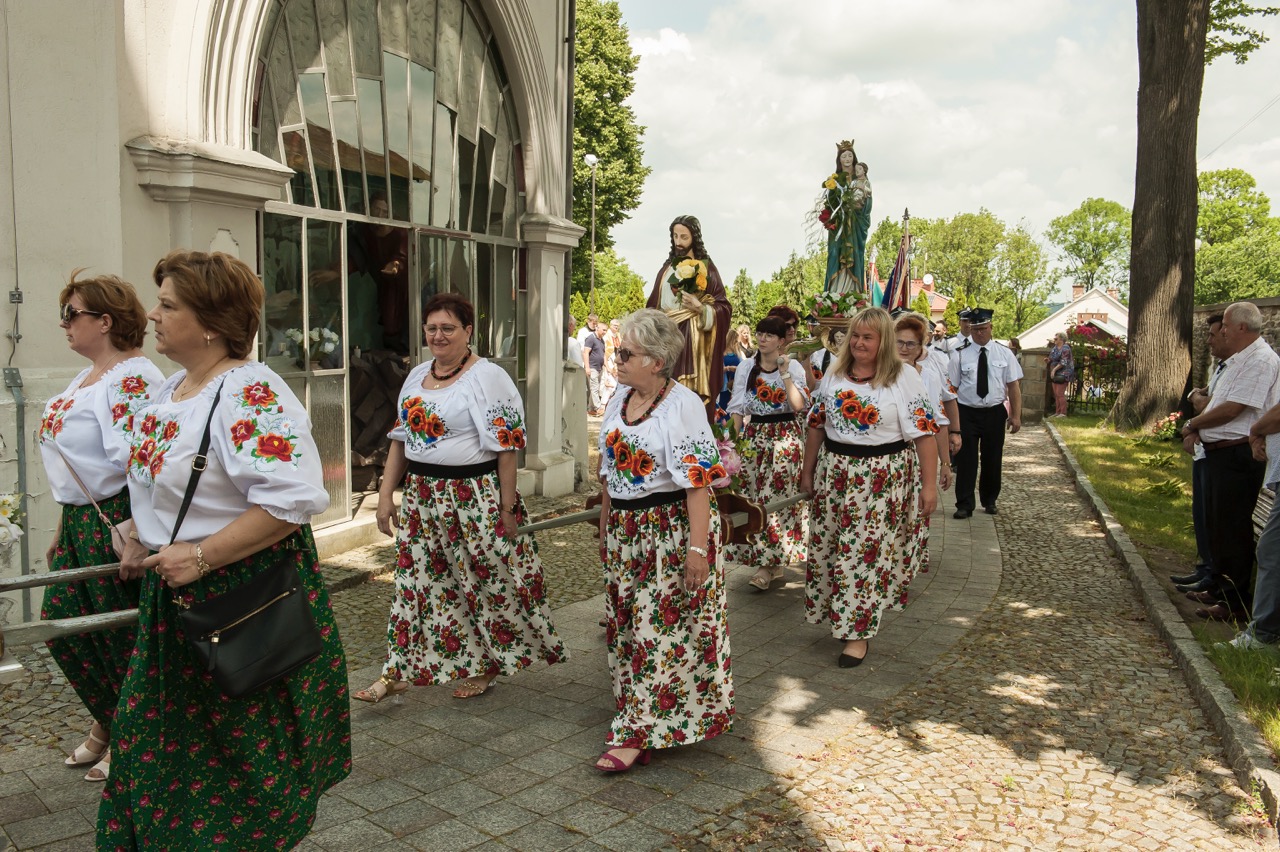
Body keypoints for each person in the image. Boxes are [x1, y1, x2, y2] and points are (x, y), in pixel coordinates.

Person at [104, 250, 351, 849]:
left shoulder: (249, 391)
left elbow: (290, 501)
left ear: (213, 323)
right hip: (177, 593)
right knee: (158, 746)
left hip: (237, 597)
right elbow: (166, 484)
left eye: (168, 305)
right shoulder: (173, 388)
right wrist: (138, 530)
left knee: (237, 759)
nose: (153, 315)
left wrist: (200, 556)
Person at [363, 292, 566, 702]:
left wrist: (507, 508)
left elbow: (507, 448)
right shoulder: (416, 375)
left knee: (485, 582)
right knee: (416, 582)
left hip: (473, 497)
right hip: (423, 498)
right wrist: (386, 496)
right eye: (432, 328)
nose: (438, 336)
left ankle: (488, 664)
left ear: (468, 331)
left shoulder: (488, 377)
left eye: (448, 328)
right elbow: (400, 439)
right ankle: (397, 669)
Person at [595, 309, 733, 772]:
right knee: (628, 628)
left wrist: (697, 550)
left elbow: (698, 485)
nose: (617, 359)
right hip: (626, 532)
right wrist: (606, 526)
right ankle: (642, 716)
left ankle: (636, 732)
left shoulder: (683, 405)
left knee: (659, 632)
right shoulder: (618, 399)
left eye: (626, 353)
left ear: (656, 361)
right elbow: (608, 474)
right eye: (618, 351)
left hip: (668, 532)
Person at [39, 272, 164, 783]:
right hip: (81, 521)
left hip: (115, 519)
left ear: (106, 321)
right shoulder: (89, 376)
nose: (64, 324)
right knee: (64, 626)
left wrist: (135, 534)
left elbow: (143, 462)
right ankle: (111, 719)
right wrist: (61, 527)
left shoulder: (132, 377)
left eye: (71, 314)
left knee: (117, 636)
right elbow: (73, 465)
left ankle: (131, 733)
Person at [800, 307, 939, 667]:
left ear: (884, 341)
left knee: (864, 556)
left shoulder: (904, 377)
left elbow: (924, 435)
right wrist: (807, 472)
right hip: (835, 475)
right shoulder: (835, 373)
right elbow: (817, 425)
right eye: (855, 336)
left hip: (881, 480)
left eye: (868, 337)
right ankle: (840, 616)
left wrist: (929, 486)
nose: (859, 343)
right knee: (833, 550)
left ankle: (857, 635)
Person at [1180, 301, 1280, 620]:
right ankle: (1217, 585)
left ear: (1241, 327)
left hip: (1238, 454)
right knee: (1218, 525)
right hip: (1220, 452)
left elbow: (1233, 409)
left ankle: (1233, 601)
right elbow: (1214, 403)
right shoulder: (1238, 359)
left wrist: (1192, 424)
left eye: (1224, 325)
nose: (1221, 331)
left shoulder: (1261, 360)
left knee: (1233, 528)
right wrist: (1197, 428)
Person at [724, 315, 809, 590]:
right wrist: (731, 445)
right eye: (760, 333)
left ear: (782, 341)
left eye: (770, 335)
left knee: (776, 499)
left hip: (785, 437)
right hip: (754, 437)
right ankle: (767, 559)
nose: (762, 338)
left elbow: (798, 405)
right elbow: (737, 408)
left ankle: (769, 564)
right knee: (753, 498)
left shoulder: (793, 366)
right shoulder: (746, 367)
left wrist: (784, 373)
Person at [647, 215, 732, 421]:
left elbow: (724, 307)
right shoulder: (666, 270)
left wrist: (700, 308)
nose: (679, 242)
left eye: (684, 237)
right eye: (675, 236)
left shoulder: (706, 268)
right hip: (665, 337)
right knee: (664, 391)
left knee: (687, 395)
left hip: (694, 342)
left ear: (694, 238)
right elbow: (652, 306)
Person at [947, 307, 1023, 518]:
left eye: (983, 328)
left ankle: (990, 500)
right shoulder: (959, 355)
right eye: (975, 329)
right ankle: (964, 503)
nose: (979, 333)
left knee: (993, 457)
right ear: (970, 330)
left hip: (994, 412)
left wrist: (1016, 415)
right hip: (966, 412)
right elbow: (951, 390)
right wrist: (952, 423)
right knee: (966, 459)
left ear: (991, 327)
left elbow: (1013, 386)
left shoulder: (1005, 354)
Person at [1173, 314, 1225, 591]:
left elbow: (1211, 406)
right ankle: (1205, 566)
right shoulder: (1221, 367)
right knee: (1202, 513)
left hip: (1225, 452)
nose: (1209, 341)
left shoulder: (1249, 365)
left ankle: (1214, 575)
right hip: (1205, 449)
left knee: (1215, 517)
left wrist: (1194, 415)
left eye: (1213, 335)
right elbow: (1202, 396)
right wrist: (1196, 398)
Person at [895, 312, 958, 492]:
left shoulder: (929, 376)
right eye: (899, 342)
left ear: (921, 346)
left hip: (918, 455)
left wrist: (945, 463)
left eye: (910, 344)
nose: (904, 348)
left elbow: (938, 420)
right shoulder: (878, 374)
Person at [820, 140, 873, 295]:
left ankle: (852, 292)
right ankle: (834, 292)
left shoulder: (861, 180)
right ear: (839, 160)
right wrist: (833, 215)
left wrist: (856, 207)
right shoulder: (835, 180)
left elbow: (867, 203)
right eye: (844, 156)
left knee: (855, 255)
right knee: (835, 254)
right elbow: (829, 202)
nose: (847, 159)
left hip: (855, 225)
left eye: (850, 155)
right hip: (839, 226)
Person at [718, 324, 754, 423]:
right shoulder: (721, 353)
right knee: (724, 407)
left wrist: (737, 369)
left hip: (735, 385)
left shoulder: (738, 352)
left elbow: (745, 366)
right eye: (735, 340)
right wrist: (728, 368)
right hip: (724, 385)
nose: (737, 342)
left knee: (735, 407)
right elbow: (717, 370)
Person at [1046, 332, 1074, 417]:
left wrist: (1054, 370)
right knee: (1055, 393)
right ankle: (1057, 412)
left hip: (1064, 372)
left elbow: (1063, 362)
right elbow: (1051, 358)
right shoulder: (1055, 348)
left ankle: (1063, 412)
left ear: (1061, 339)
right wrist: (1048, 360)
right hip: (1055, 372)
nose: (1054, 340)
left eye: (1056, 339)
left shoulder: (1065, 348)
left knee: (1060, 393)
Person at [584, 318, 607, 415]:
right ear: (597, 328)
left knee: (595, 389)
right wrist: (587, 367)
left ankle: (590, 409)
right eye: (603, 330)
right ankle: (598, 407)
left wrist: (607, 367)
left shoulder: (602, 340)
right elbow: (585, 352)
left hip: (599, 368)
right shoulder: (591, 338)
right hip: (592, 367)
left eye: (606, 330)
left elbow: (603, 354)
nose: (605, 332)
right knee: (594, 388)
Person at [602, 318, 622, 406]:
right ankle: (603, 404)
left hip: (616, 358)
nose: (616, 327)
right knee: (609, 383)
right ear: (610, 326)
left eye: (617, 326)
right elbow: (604, 350)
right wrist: (606, 365)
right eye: (615, 326)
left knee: (616, 383)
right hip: (608, 359)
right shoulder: (606, 335)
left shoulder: (618, 335)